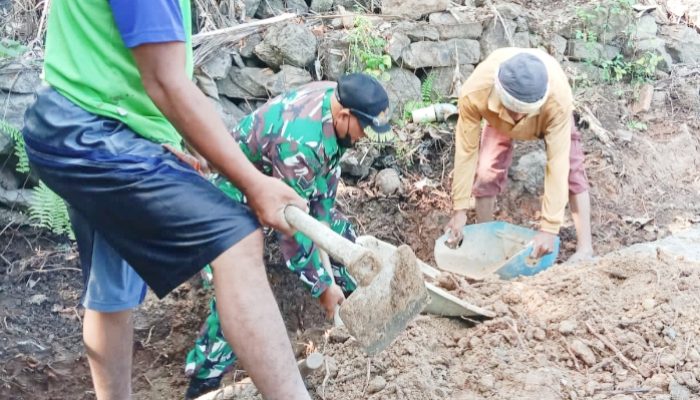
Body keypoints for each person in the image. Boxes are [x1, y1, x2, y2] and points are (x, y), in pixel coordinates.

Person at [21, 1, 330, 398]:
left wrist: (165, 135)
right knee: (236, 238)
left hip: (72, 118)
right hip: (92, 133)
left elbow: (124, 55)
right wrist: (255, 184)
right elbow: (165, 80)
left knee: (111, 288)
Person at [179, 74, 393, 399]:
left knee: (343, 239)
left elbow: (319, 208)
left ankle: (359, 314)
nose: (364, 138)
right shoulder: (301, 143)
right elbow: (294, 234)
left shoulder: (334, 108)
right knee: (237, 298)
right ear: (346, 116)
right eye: (363, 129)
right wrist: (322, 288)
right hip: (232, 194)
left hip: (283, 187)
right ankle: (203, 381)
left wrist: (332, 268)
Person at [444, 48, 594, 262]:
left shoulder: (557, 100)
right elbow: (466, 151)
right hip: (496, 115)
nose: (517, 117)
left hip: (547, 116)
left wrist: (550, 228)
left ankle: (585, 249)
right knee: (487, 169)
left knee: (572, 169)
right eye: (513, 108)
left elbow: (557, 164)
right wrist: (459, 209)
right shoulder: (476, 92)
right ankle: (485, 242)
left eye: (523, 111)